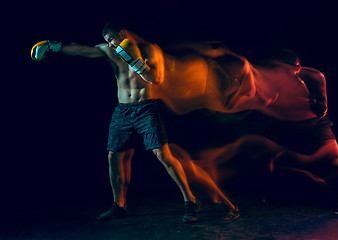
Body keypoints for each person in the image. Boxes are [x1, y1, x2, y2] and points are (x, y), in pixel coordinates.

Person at [31, 21, 240, 222]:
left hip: (145, 108)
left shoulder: (150, 50)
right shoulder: (108, 50)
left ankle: (190, 201)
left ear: (123, 33)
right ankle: (119, 205)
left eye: (112, 38)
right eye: (107, 40)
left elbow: (156, 79)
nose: (111, 44)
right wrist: (52, 46)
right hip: (122, 109)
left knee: (163, 155)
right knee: (114, 155)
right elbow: (81, 49)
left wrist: (136, 62)